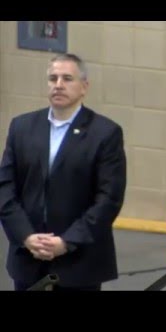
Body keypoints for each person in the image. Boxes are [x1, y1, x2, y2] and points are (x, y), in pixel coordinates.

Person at [0, 53, 127, 291]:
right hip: (28, 259)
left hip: (79, 263)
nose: (58, 85)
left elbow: (108, 199)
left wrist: (66, 242)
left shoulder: (105, 133)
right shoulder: (22, 127)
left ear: (84, 87)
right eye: (53, 78)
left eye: (67, 78)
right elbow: (5, 188)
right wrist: (26, 236)